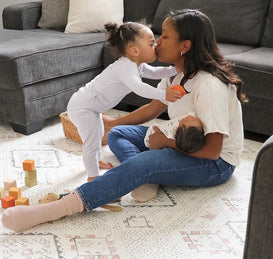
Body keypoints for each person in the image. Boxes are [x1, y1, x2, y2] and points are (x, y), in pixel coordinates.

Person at [2, 9, 247, 232]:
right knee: (120, 135)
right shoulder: (178, 73)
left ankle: (54, 209)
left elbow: (213, 151)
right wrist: (111, 125)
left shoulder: (209, 85)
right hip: (179, 137)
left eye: (165, 37)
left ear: (185, 45)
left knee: (144, 161)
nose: (157, 41)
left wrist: (165, 144)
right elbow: (153, 107)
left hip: (215, 164)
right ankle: (148, 175)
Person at [67, 21, 181, 182]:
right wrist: (164, 94)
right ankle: (92, 177)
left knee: (99, 133)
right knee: (91, 141)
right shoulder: (125, 68)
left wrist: (175, 69)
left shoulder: (137, 65)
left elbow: (156, 72)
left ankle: (97, 160)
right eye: (151, 43)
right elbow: (139, 88)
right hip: (83, 106)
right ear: (135, 51)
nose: (155, 45)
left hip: (92, 107)